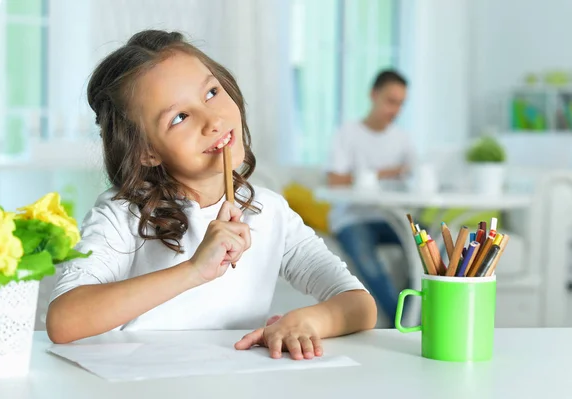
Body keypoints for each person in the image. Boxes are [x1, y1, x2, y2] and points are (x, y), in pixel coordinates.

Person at [46, 30, 377, 360]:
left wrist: (306, 320)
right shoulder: (121, 215)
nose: (213, 120)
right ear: (146, 152)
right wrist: (194, 270)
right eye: (180, 117)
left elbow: (359, 304)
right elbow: (64, 321)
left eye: (211, 92)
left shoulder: (270, 212)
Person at [326, 69, 413, 322]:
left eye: (401, 104)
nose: (395, 109)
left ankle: (414, 316)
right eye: (390, 101)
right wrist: (384, 173)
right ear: (373, 95)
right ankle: (406, 321)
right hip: (352, 218)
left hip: (390, 217)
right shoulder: (347, 133)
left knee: (426, 246)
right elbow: (334, 180)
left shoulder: (402, 139)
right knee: (369, 262)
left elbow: (413, 175)